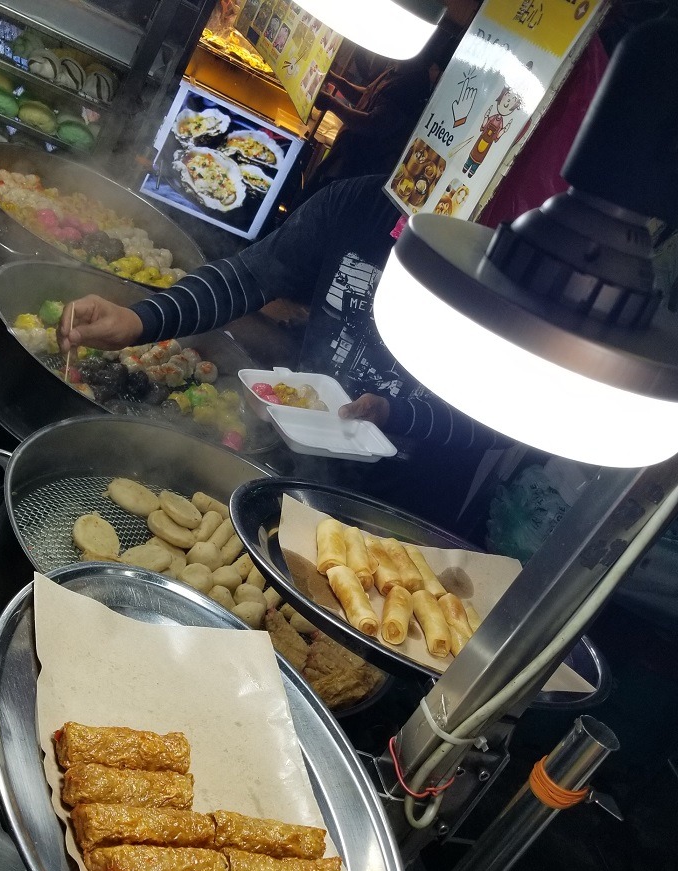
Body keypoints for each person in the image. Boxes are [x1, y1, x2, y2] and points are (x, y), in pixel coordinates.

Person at [58, 173, 507, 527]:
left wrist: (396, 414)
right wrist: (139, 320)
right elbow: (248, 277)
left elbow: (494, 429)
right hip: (294, 459)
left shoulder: (506, 273)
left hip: (397, 508)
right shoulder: (361, 203)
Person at [297, 1, 480, 203]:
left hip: (353, 171)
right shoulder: (398, 68)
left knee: (314, 208)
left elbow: (373, 124)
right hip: (340, 157)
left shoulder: (411, 85)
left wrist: (332, 104)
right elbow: (368, 97)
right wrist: (337, 81)